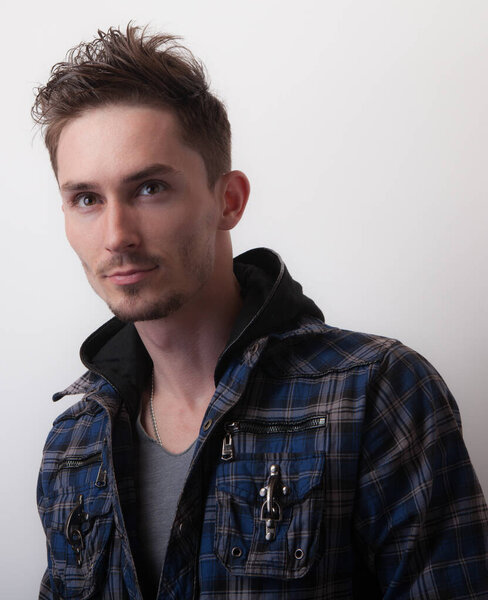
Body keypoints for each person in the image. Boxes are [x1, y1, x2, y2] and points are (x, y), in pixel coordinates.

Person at [32, 25, 488, 599]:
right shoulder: (74, 442)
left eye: (149, 188)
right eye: (87, 199)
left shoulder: (375, 391)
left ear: (229, 200)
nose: (116, 235)